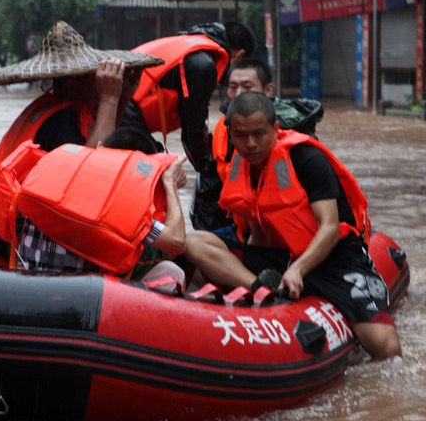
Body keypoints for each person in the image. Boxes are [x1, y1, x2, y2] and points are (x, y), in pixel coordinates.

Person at [184, 93, 401, 361]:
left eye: (258, 134)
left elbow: (330, 228)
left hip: (334, 260)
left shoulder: (307, 159)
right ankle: (260, 288)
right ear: (230, 133)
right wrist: (254, 270)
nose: (250, 144)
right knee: (194, 242)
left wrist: (299, 269)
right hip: (282, 259)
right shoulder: (241, 165)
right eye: (240, 135)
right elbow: (259, 227)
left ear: (275, 130)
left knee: (386, 349)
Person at [0, 21, 164, 250]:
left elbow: (105, 143)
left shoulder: (62, 110)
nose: (99, 84)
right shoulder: (60, 119)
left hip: (12, 226)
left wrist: (123, 96)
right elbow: (92, 167)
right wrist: (110, 98)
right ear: (74, 84)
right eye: (95, 78)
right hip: (20, 237)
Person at [12, 132, 189, 291]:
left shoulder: (49, 171)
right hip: (80, 300)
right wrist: (170, 184)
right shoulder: (126, 206)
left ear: (100, 148)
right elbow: (176, 241)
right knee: (172, 272)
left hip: (23, 286)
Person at [191, 57, 324, 234]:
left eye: (247, 87)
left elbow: (325, 219)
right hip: (242, 227)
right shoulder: (223, 133)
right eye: (233, 87)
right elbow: (209, 193)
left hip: (292, 231)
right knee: (193, 244)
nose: (238, 94)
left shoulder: (301, 146)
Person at [122, 21, 257, 171]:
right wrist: (211, 169)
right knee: (153, 171)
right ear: (239, 56)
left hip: (120, 109)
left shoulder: (193, 47)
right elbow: (193, 129)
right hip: (123, 111)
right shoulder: (202, 64)